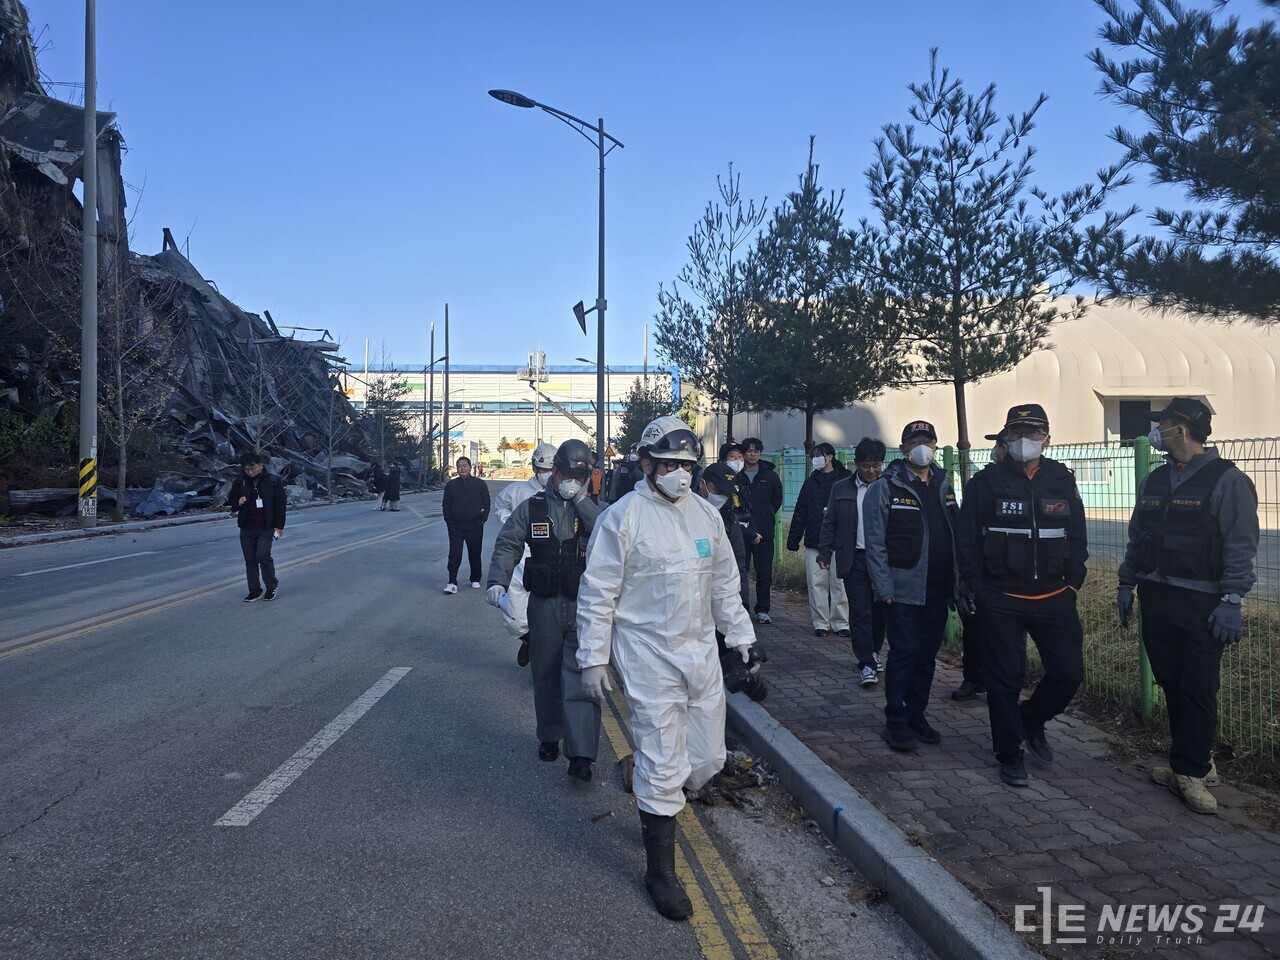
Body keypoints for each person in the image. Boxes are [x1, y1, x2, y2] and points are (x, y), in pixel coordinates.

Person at [576, 416, 756, 921]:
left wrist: (740, 634)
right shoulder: (623, 518)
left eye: (687, 466)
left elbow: (724, 583)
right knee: (663, 759)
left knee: (705, 760)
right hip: (647, 654)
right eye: (670, 464)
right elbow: (598, 594)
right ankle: (661, 871)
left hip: (699, 654)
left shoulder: (706, 516)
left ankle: (650, 781)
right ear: (647, 463)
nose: (680, 474)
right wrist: (593, 656)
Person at [1118, 398, 1259, 815]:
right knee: (1172, 681)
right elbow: (1137, 534)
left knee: (1198, 686)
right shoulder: (1155, 479)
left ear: (1183, 428)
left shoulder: (1227, 480)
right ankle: (1192, 760)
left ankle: (1191, 771)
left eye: (1162, 423)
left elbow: (1240, 544)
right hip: (1156, 596)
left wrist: (1233, 600)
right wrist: (1127, 582)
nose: (1156, 430)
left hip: (1203, 600)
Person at [955, 404, 1087, 788]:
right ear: (1005, 438)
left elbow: (1076, 535)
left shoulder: (1062, 479)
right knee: (1003, 680)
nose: (1024, 441)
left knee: (1068, 673)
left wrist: (1073, 582)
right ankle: (1009, 752)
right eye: (1016, 433)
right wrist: (977, 587)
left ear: (1047, 437)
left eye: (1033, 433)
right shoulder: (985, 483)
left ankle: (1032, 718)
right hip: (1000, 596)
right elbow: (966, 540)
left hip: (1054, 596)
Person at [487, 439, 602, 779]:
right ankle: (550, 736)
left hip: (583, 604)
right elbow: (508, 542)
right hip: (545, 604)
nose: (572, 481)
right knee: (546, 673)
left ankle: (581, 753)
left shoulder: (593, 509)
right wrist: (498, 580)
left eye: (579, 477)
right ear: (555, 470)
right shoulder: (532, 508)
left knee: (582, 675)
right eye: (568, 475)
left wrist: (582, 501)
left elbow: (610, 535)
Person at [864, 421, 966, 752]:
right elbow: (875, 541)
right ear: (904, 447)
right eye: (914, 440)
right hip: (902, 590)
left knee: (926, 657)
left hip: (938, 588)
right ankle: (895, 718)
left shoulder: (943, 482)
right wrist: (883, 587)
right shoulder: (886, 486)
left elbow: (954, 531)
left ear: (935, 445)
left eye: (928, 440)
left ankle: (916, 713)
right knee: (904, 654)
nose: (922, 446)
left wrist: (960, 581)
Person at [817, 437, 887, 689]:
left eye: (876, 465)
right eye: (866, 465)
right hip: (854, 558)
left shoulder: (889, 487)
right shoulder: (841, 488)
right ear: (856, 464)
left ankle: (875, 651)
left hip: (883, 561)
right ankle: (865, 662)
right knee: (860, 611)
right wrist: (824, 553)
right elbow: (830, 523)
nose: (871, 470)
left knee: (880, 611)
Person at [950, 429, 1007, 702]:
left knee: (1005, 639)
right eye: (999, 446)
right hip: (980, 573)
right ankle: (973, 679)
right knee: (974, 628)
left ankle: (1001, 684)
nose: (998, 450)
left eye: (1001, 445)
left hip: (1013, 577)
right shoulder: (981, 484)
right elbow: (966, 535)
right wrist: (964, 581)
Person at [492, 442, 558, 668]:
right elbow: (500, 505)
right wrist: (508, 520)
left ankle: (547, 655)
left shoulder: (563, 494)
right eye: (541, 470)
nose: (545, 475)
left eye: (550, 470)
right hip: (521, 559)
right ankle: (527, 639)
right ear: (534, 468)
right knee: (515, 618)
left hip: (551, 561)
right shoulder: (516, 491)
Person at [787, 442, 851, 636]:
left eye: (819, 455)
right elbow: (800, 511)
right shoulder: (810, 482)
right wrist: (793, 539)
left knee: (839, 583)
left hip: (840, 542)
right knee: (816, 583)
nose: (815, 459)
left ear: (830, 456)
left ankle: (841, 623)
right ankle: (820, 622)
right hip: (815, 539)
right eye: (813, 455)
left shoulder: (846, 479)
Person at [226, 451, 287, 602]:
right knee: (250, 560)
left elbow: (280, 505)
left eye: (253, 468)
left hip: (266, 527)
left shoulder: (273, 481)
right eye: (246, 469)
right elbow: (231, 499)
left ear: (261, 465)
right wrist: (237, 502)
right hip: (246, 527)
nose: (250, 471)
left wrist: (279, 527)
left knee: (263, 555)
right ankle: (254, 590)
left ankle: (271, 586)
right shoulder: (240, 481)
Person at [739, 438, 783, 624]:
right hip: (741, 532)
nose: (752, 454)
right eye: (749, 451)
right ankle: (740, 610)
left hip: (764, 532)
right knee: (740, 572)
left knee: (764, 573)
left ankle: (763, 609)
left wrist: (766, 515)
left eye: (756, 451)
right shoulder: (736, 474)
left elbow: (777, 500)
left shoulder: (769, 475)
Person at [442, 456, 490, 593]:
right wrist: (448, 520)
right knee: (455, 554)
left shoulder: (479, 484)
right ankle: (452, 582)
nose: (462, 468)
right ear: (457, 469)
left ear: (470, 467)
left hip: (475, 524)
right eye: (459, 466)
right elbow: (446, 504)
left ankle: (475, 578)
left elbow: (486, 503)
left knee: (475, 553)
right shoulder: (451, 485)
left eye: (464, 465)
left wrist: (482, 519)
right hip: (456, 525)